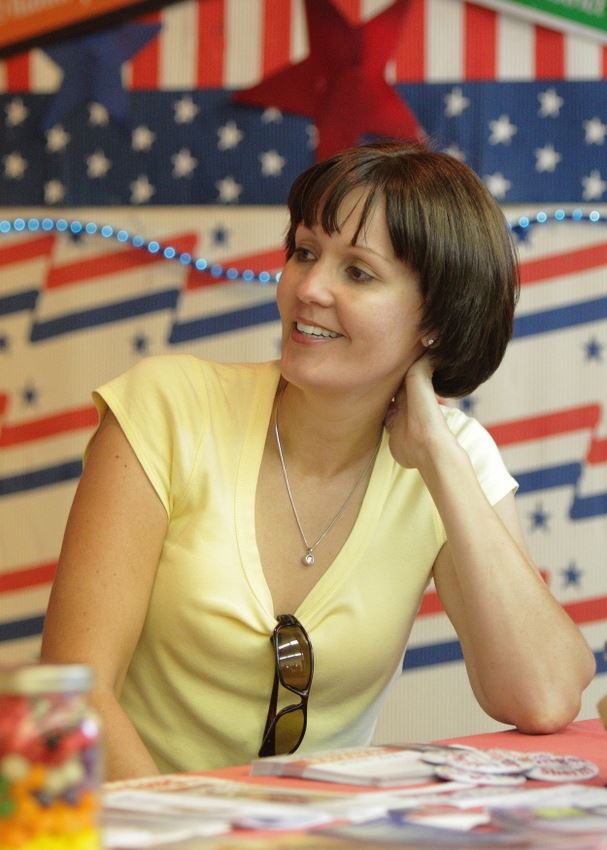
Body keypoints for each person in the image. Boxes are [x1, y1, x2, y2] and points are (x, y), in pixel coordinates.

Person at [41, 141, 596, 780]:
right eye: (305, 253)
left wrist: (441, 457)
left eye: (357, 272)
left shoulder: (456, 459)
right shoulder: (168, 407)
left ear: (435, 321)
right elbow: (74, 688)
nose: (309, 288)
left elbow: (543, 698)